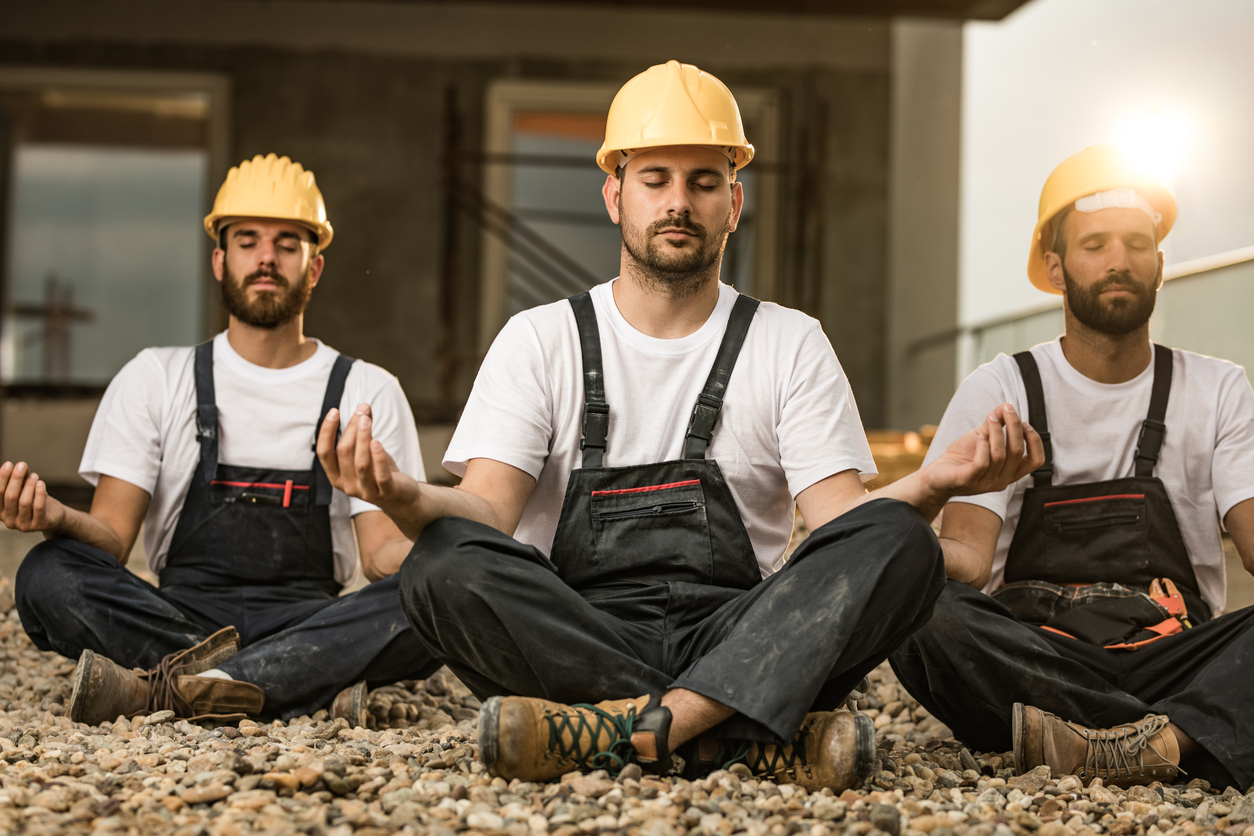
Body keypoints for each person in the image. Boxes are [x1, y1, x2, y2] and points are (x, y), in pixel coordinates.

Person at [319, 60, 1039, 790]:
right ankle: (738, 733)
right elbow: (486, 513)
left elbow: (840, 528)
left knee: (903, 541)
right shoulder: (540, 339)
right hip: (579, 631)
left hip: (740, 632)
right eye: (655, 178)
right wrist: (401, 497)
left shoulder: (788, 341)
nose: (678, 202)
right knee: (443, 561)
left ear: (734, 201)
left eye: (703, 181)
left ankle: (622, 732)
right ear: (614, 195)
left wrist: (935, 484)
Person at [8, 153, 440, 725]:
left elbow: (382, 556)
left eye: (288, 243)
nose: (266, 257)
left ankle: (170, 687)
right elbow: (111, 539)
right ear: (220, 260)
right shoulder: (156, 377)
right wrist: (54, 517)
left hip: (308, 620)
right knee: (46, 574)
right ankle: (300, 684)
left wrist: (451, 551)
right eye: (248, 241)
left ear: (314, 268)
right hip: (179, 613)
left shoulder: (367, 389)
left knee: (438, 598)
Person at [890, 144, 1254, 790]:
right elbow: (968, 566)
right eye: (1096, 244)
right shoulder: (999, 390)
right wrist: (920, 525)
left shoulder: (1220, 389)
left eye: (1137, 243)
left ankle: (1114, 744)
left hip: (1174, 658)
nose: (1119, 261)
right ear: (1056, 268)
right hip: (1038, 660)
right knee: (923, 612)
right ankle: (1181, 737)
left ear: (1162, 265)